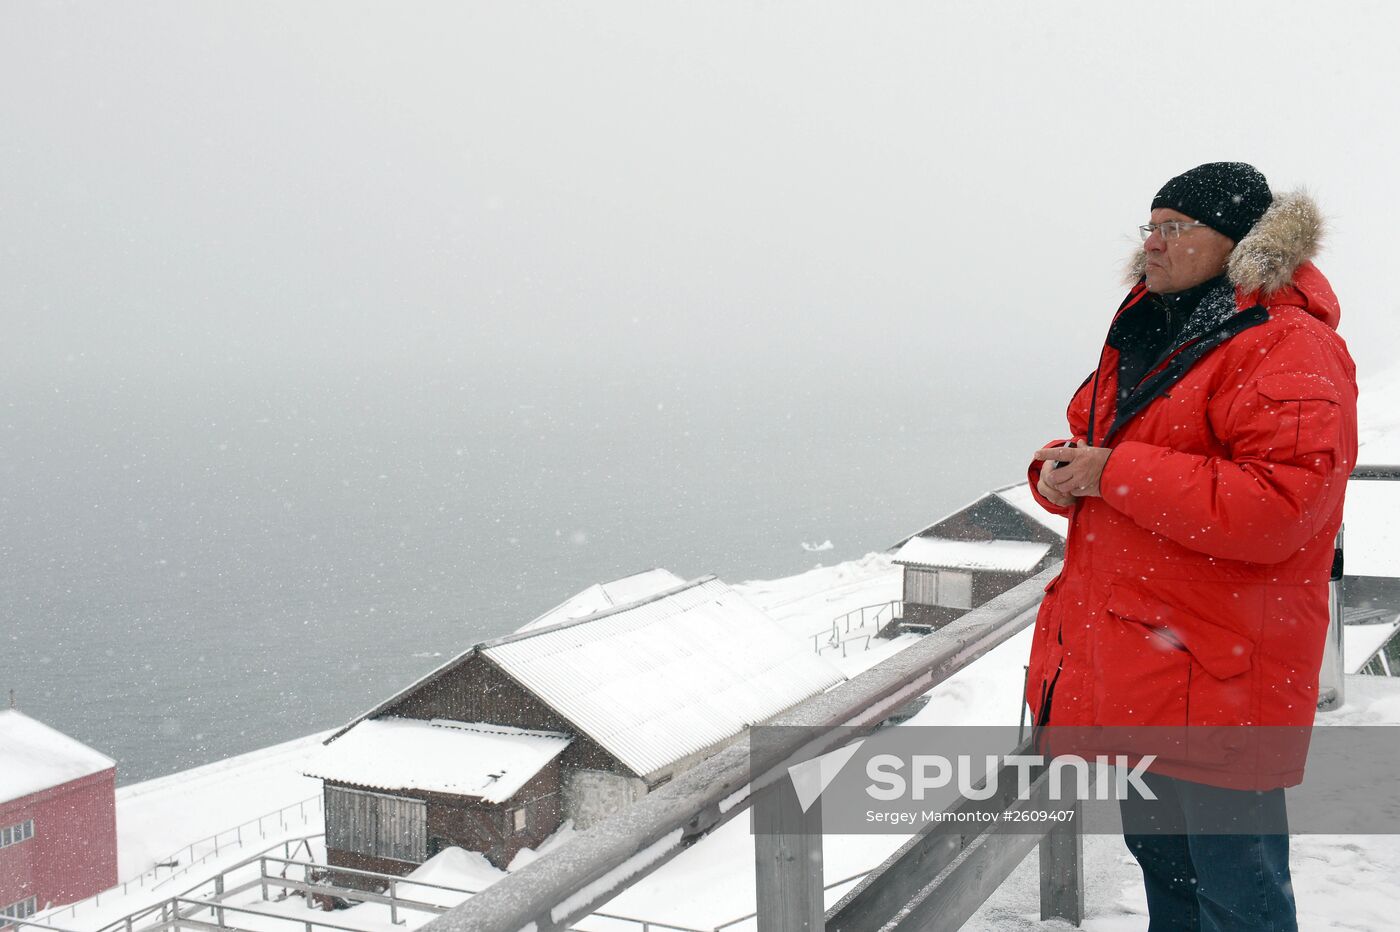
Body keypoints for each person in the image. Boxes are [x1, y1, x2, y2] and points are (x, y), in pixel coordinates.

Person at [1024, 162, 1358, 931]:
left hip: (1221, 671)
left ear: (1238, 242)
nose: (1154, 244)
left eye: (1176, 228)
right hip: (1148, 662)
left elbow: (1283, 507)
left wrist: (1115, 473)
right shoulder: (1151, 327)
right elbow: (1104, 446)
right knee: (1168, 877)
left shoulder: (1287, 345)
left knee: (1238, 896)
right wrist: (1065, 474)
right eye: (1150, 226)